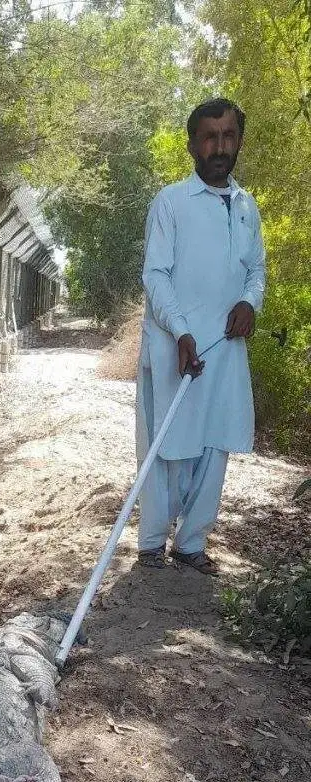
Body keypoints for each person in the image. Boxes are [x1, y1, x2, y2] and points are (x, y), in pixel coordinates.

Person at [136, 97, 266, 574]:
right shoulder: (170, 202)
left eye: (228, 136)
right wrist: (182, 331)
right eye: (209, 137)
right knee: (168, 443)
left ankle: (191, 545)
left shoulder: (248, 207)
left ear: (238, 142)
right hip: (176, 345)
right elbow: (155, 274)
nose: (219, 146)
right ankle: (151, 545)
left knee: (214, 443)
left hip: (226, 349)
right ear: (193, 145)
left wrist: (249, 302)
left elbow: (256, 270)